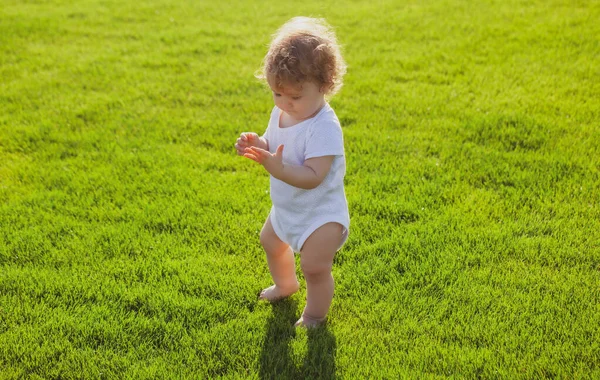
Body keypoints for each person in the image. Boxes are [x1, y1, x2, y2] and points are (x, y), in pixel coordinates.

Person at [234, 16, 349, 328]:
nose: (285, 103)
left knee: (315, 267)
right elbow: (277, 142)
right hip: (288, 207)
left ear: (325, 85)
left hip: (320, 215)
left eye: (295, 97)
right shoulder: (283, 112)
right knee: (270, 242)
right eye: (277, 93)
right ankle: (285, 285)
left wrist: (277, 167)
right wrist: (258, 143)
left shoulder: (324, 126)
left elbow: (314, 175)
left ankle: (314, 315)